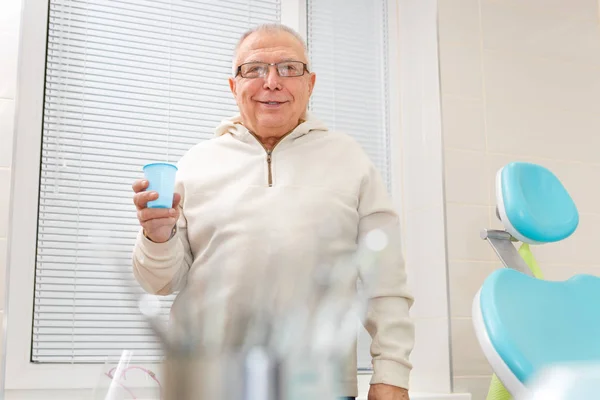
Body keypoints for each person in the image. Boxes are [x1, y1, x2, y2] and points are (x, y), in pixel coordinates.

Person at [131, 23, 414, 400]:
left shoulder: (351, 161)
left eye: (289, 68)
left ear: (310, 84)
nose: (272, 82)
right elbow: (159, 282)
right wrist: (156, 236)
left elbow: (386, 281)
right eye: (254, 69)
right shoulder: (195, 164)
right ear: (233, 87)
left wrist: (392, 374)